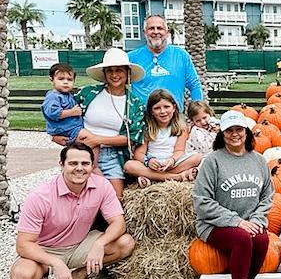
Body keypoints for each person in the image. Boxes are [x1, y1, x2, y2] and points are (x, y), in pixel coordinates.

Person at [10, 143, 135, 279]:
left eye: (85, 164)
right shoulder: (40, 196)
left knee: (125, 243)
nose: (79, 168)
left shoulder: (102, 186)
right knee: (21, 278)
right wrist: (56, 263)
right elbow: (23, 244)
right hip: (45, 250)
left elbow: (118, 223)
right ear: (61, 165)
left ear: (92, 166)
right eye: (73, 163)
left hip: (80, 245)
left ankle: (80, 274)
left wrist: (99, 244)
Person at [192, 111, 274, 279]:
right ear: (222, 133)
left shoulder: (258, 160)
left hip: (249, 221)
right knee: (242, 239)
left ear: (246, 132)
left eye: (239, 129)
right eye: (229, 130)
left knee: (262, 240)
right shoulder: (213, 161)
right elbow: (201, 201)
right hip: (214, 224)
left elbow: (267, 196)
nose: (235, 134)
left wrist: (256, 219)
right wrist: (235, 221)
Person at [71, 48, 146, 200]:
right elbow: (65, 116)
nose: (114, 75)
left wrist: (97, 140)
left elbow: (132, 138)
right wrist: (62, 137)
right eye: (109, 70)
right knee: (79, 198)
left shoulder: (135, 104)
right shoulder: (87, 93)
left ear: (127, 73)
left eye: (119, 70)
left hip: (114, 155)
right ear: (104, 74)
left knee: (114, 200)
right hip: (83, 152)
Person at [123, 90, 201, 187]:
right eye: (157, 108)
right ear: (151, 111)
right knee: (129, 165)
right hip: (153, 165)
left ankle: (153, 178)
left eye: (166, 107)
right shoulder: (147, 129)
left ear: (174, 107)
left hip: (172, 164)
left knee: (197, 157)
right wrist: (148, 161)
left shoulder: (181, 128)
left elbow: (179, 150)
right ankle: (177, 177)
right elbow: (139, 154)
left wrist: (172, 160)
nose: (163, 111)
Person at [128, 14, 203, 112]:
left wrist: (198, 113)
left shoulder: (181, 55)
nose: (156, 32)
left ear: (167, 33)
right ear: (144, 33)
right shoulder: (131, 58)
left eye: (160, 28)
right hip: (142, 121)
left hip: (174, 121)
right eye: (151, 28)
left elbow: (194, 85)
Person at [42, 63, 85, 143]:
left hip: (73, 127)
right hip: (65, 129)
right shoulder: (53, 96)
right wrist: (72, 112)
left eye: (69, 79)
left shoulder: (68, 95)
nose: (66, 82)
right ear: (52, 80)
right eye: (61, 79)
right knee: (88, 138)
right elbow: (53, 113)